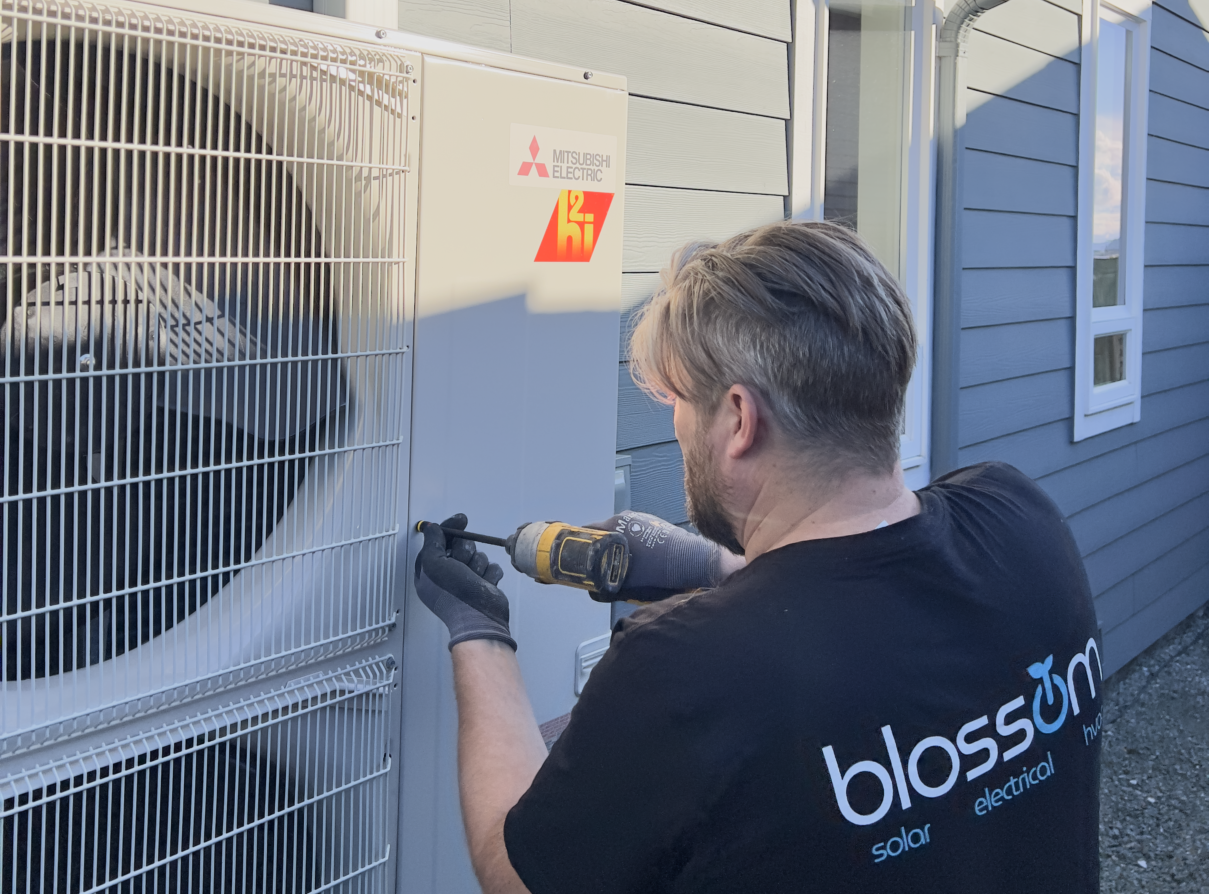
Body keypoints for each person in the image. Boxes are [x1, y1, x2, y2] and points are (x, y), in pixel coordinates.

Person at [414, 221, 1102, 894]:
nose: (677, 428)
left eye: (680, 401)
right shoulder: (1018, 516)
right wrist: (718, 569)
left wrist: (481, 635)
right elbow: (876, 600)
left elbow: (516, 873)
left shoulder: (685, 671)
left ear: (739, 419)